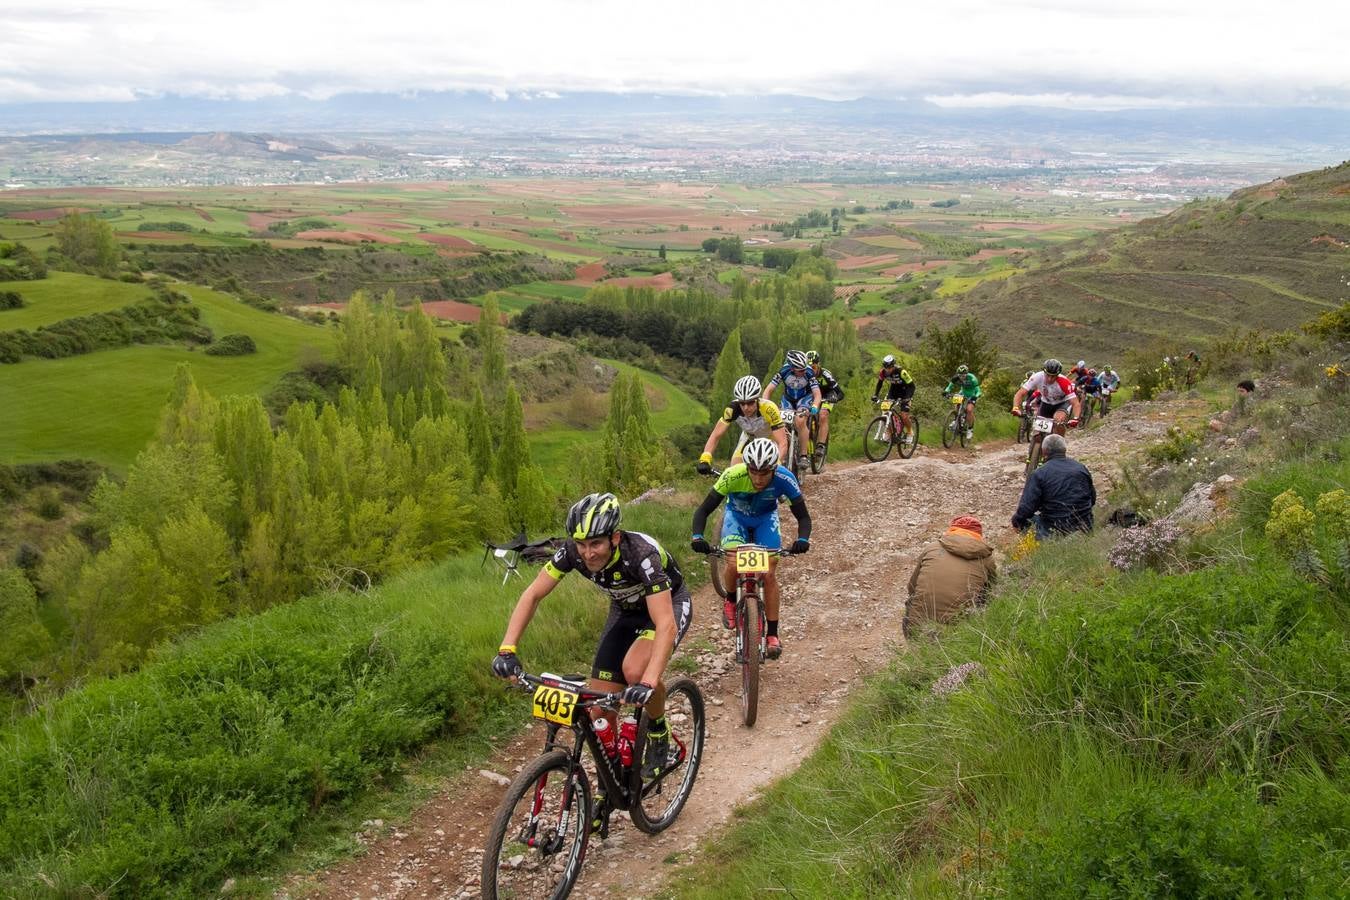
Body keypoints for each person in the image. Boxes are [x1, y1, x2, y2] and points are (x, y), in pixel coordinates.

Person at [492, 492, 692, 779]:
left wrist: (647, 682)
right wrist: (507, 649)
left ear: (615, 537)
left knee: (635, 670)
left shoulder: (641, 554)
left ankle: (659, 731)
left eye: (596, 543)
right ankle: (611, 787)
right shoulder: (572, 552)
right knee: (599, 712)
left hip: (666, 605)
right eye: (582, 544)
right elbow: (533, 594)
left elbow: (665, 624)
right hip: (624, 610)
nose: (588, 553)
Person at [690, 437, 811, 660]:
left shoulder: (785, 478)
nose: (758, 478)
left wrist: (803, 539)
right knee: (734, 562)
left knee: (769, 573)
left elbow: (802, 516)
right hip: (737, 519)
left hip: (766, 519)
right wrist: (697, 536)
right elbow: (703, 510)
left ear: (774, 469)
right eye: (753, 471)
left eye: (764, 473)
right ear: (747, 467)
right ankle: (729, 599)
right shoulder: (732, 476)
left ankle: (772, 634)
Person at [903, 516, 998, 638]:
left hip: (918, 626)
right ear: (978, 537)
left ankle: (914, 648)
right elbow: (991, 592)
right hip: (958, 633)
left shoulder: (931, 548)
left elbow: (911, 587)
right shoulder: (986, 559)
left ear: (952, 531)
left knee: (911, 601)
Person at [1011, 434, 1096, 539]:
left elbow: (1026, 508)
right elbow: (1092, 499)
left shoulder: (1039, 474)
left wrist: (1016, 522)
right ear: (1064, 449)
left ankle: (1037, 547)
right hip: (1085, 527)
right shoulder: (1081, 468)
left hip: (1054, 530)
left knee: (1023, 521)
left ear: (1044, 451)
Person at [698, 374, 788, 473]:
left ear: (757, 399)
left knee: (766, 472)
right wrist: (705, 458)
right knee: (733, 472)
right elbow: (716, 435)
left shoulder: (769, 409)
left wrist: (777, 463)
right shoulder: (732, 409)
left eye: (750, 403)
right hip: (749, 438)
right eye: (742, 403)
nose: (745, 407)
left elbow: (782, 443)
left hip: (771, 439)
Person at [762, 350, 822, 474]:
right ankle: (781, 453)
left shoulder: (809, 373)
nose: (804, 371)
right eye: (800, 370)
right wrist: (765, 406)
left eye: (805, 368)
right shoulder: (783, 371)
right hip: (788, 399)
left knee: (800, 421)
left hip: (804, 399)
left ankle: (803, 456)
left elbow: (817, 394)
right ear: (792, 367)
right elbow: (768, 391)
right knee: (780, 424)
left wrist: (815, 405)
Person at [1011, 359, 1081, 435]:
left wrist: (1076, 418)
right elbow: (1020, 394)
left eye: (1053, 376)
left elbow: (1075, 403)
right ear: (1044, 372)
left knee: (1058, 420)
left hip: (1061, 404)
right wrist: (1015, 408)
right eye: (1047, 375)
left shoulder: (1064, 382)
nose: (1050, 379)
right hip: (1046, 403)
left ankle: (1059, 442)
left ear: (1057, 375)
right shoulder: (1037, 377)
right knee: (1037, 435)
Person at [805, 350, 844, 465]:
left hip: (828, 395)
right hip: (813, 397)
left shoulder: (826, 374)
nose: (811, 370)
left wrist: (835, 399)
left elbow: (840, 393)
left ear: (819, 364)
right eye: (808, 367)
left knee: (823, 415)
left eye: (813, 367)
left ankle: (821, 445)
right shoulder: (805, 374)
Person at [872, 354, 917, 437]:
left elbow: (912, 386)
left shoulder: (901, 372)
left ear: (893, 365)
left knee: (904, 416)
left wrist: (908, 398)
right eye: (886, 367)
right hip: (893, 392)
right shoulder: (883, 372)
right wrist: (875, 395)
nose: (888, 370)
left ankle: (910, 432)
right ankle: (890, 433)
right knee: (885, 412)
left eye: (889, 368)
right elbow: (879, 384)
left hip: (905, 392)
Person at [943, 364, 982, 440]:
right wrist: (946, 392)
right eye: (960, 375)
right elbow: (949, 386)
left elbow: (978, 391)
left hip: (972, 394)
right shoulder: (955, 378)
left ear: (966, 374)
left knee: (969, 410)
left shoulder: (972, 378)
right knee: (957, 402)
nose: (962, 377)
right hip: (963, 392)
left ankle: (970, 429)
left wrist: (976, 396)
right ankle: (956, 420)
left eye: (963, 375)